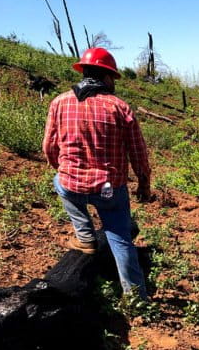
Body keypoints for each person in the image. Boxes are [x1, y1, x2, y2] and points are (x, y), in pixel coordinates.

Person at [43, 47, 152, 299]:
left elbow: (49, 146)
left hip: (71, 185)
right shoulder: (119, 107)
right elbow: (138, 153)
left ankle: (85, 237)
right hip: (109, 190)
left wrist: (62, 169)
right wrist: (144, 184)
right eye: (112, 77)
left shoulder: (59, 102)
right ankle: (136, 297)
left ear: (84, 72)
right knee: (121, 239)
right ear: (104, 76)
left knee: (59, 182)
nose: (113, 82)